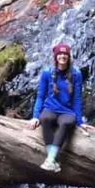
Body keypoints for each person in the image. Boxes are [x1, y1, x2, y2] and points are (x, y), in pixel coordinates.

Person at [29, 43, 88, 172]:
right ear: (56, 57)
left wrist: (80, 121)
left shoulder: (76, 74)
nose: (62, 56)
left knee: (66, 122)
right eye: (60, 54)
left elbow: (77, 98)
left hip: (67, 111)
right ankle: (53, 160)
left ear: (68, 56)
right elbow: (40, 96)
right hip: (50, 108)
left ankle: (50, 160)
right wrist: (35, 116)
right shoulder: (47, 73)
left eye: (65, 54)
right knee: (44, 119)